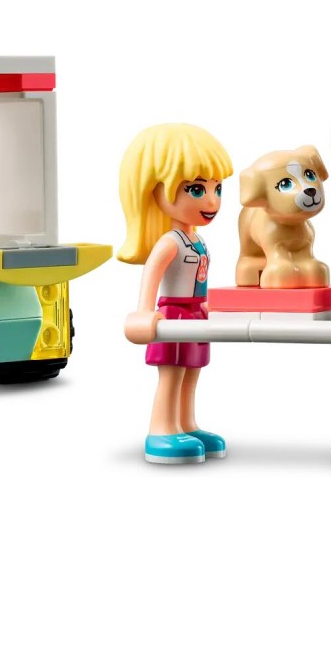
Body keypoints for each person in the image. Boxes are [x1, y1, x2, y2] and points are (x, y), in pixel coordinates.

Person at [118, 124, 233, 464]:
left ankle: (186, 424)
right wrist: (143, 311)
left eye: (217, 188)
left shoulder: (197, 239)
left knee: (192, 372)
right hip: (173, 316)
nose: (211, 200)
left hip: (196, 315)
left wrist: (209, 306)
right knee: (172, 374)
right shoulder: (170, 242)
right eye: (196, 189)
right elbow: (152, 274)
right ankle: (162, 430)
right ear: (155, 189)